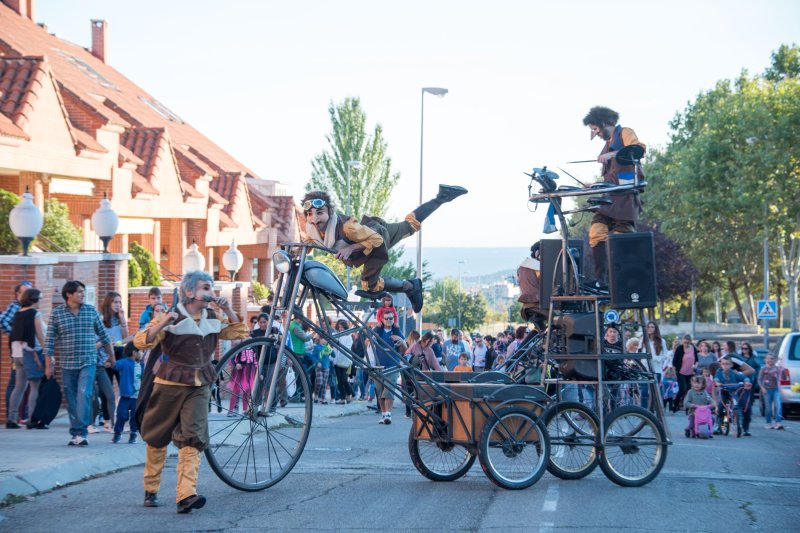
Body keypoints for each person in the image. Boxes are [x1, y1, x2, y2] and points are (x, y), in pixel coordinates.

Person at [134, 271, 249, 513]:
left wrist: (228, 310)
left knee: (193, 438)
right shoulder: (171, 317)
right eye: (206, 287)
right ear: (188, 292)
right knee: (156, 437)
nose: (211, 292)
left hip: (199, 385)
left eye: (212, 287)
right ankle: (151, 488)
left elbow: (240, 333)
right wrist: (164, 322)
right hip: (169, 384)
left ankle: (186, 495)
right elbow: (141, 341)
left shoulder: (212, 316)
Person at [301, 185, 467, 312]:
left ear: (329, 211)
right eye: (310, 214)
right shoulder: (314, 230)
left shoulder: (347, 228)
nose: (315, 219)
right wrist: (300, 249)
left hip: (375, 243)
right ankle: (442, 196)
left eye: (320, 213)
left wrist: (351, 248)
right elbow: (312, 240)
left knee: (369, 285)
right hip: (375, 230)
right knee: (409, 225)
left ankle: (408, 286)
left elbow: (376, 239)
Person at [45, 281, 115, 446]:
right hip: (67, 364)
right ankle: (76, 433)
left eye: (83, 292)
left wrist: (111, 357)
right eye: (79, 292)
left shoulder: (90, 311)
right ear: (69, 295)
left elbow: (104, 336)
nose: (83, 295)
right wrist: (49, 365)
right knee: (72, 399)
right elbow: (49, 342)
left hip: (88, 361)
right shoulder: (57, 314)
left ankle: (82, 432)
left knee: (84, 394)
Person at [582, 106, 646, 286]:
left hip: (625, 199)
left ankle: (618, 281)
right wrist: (594, 185)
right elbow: (611, 177)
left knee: (620, 240)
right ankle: (600, 280)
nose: (595, 134)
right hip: (608, 199)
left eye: (595, 129)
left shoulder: (625, 132)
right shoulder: (607, 144)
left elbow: (637, 149)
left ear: (604, 123)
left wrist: (612, 153)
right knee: (596, 233)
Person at [7, 288, 47, 429]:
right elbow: (40, 335)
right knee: (34, 386)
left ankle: (11, 419)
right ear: (34, 299)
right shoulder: (35, 314)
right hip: (30, 352)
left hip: (16, 353)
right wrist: (47, 352)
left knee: (19, 387)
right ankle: (32, 419)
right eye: (40, 298)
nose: (41, 301)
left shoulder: (18, 313)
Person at [371, 309, 407, 425]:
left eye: (391, 318)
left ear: (394, 319)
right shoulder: (377, 330)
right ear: (381, 319)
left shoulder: (397, 331)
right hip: (378, 365)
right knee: (380, 391)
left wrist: (401, 342)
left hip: (393, 365)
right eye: (386, 318)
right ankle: (383, 413)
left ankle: (388, 414)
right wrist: (371, 339)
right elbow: (367, 343)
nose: (389, 320)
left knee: (389, 390)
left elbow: (404, 350)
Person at [2, 281, 32, 418]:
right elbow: (2, 320)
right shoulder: (15, 307)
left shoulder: (28, 308)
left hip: (25, 350)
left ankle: (20, 415)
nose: (28, 295)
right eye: (25, 292)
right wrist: (14, 334)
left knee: (23, 384)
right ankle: (13, 415)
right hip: (18, 351)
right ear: (17, 294)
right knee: (16, 382)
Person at [713, 356, 752, 435]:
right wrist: (717, 383)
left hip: (733, 391)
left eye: (727, 364)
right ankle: (718, 425)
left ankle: (738, 422)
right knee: (721, 406)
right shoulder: (719, 371)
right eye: (723, 364)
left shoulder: (734, 373)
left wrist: (746, 381)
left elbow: (744, 377)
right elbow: (716, 378)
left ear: (731, 365)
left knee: (736, 405)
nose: (725, 365)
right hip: (723, 391)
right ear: (721, 365)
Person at [113, 342, 143, 443]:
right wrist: (109, 361)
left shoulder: (142, 365)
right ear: (134, 352)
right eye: (140, 351)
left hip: (138, 397)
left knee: (135, 416)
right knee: (121, 415)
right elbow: (115, 365)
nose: (142, 353)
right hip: (126, 396)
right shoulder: (124, 362)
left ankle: (133, 433)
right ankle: (117, 433)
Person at [517, 242, 546, 332]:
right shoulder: (539, 268)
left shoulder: (521, 267)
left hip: (526, 307)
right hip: (539, 305)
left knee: (540, 331)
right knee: (564, 319)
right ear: (538, 254)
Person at [758, 354, 784, 430]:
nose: (770, 360)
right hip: (767, 390)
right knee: (768, 407)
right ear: (765, 360)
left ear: (774, 360)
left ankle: (778, 422)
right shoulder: (763, 369)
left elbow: (781, 377)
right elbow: (759, 379)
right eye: (768, 359)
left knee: (778, 406)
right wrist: (762, 388)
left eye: (771, 359)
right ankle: (768, 423)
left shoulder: (777, 368)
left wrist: (781, 363)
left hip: (776, 389)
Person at [672, 335, 697, 411]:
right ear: (682, 341)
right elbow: (674, 362)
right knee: (683, 388)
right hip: (681, 372)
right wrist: (674, 373)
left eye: (687, 342)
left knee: (689, 389)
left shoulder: (693, 348)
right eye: (684, 342)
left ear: (690, 342)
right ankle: (676, 403)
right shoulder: (679, 348)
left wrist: (695, 366)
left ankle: (686, 406)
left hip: (690, 372)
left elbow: (697, 359)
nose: (686, 344)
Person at [332, 319, 354, 404]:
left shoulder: (348, 337)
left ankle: (350, 393)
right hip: (337, 361)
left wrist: (338, 345)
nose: (340, 329)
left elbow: (347, 348)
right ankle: (342, 398)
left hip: (345, 361)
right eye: (339, 327)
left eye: (342, 327)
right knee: (339, 381)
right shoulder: (336, 335)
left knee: (344, 379)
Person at [310, 336, 332, 404]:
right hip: (318, 367)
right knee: (319, 382)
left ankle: (323, 399)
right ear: (320, 339)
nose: (326, 341)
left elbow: (333, 355)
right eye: (324, 339)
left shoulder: (328, 347)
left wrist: (331, 350)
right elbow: (312, 356)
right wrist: (317, 362)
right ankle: (316, 395)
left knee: (324, 384)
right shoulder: (317, 347)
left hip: (326, 367)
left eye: (326, 340)